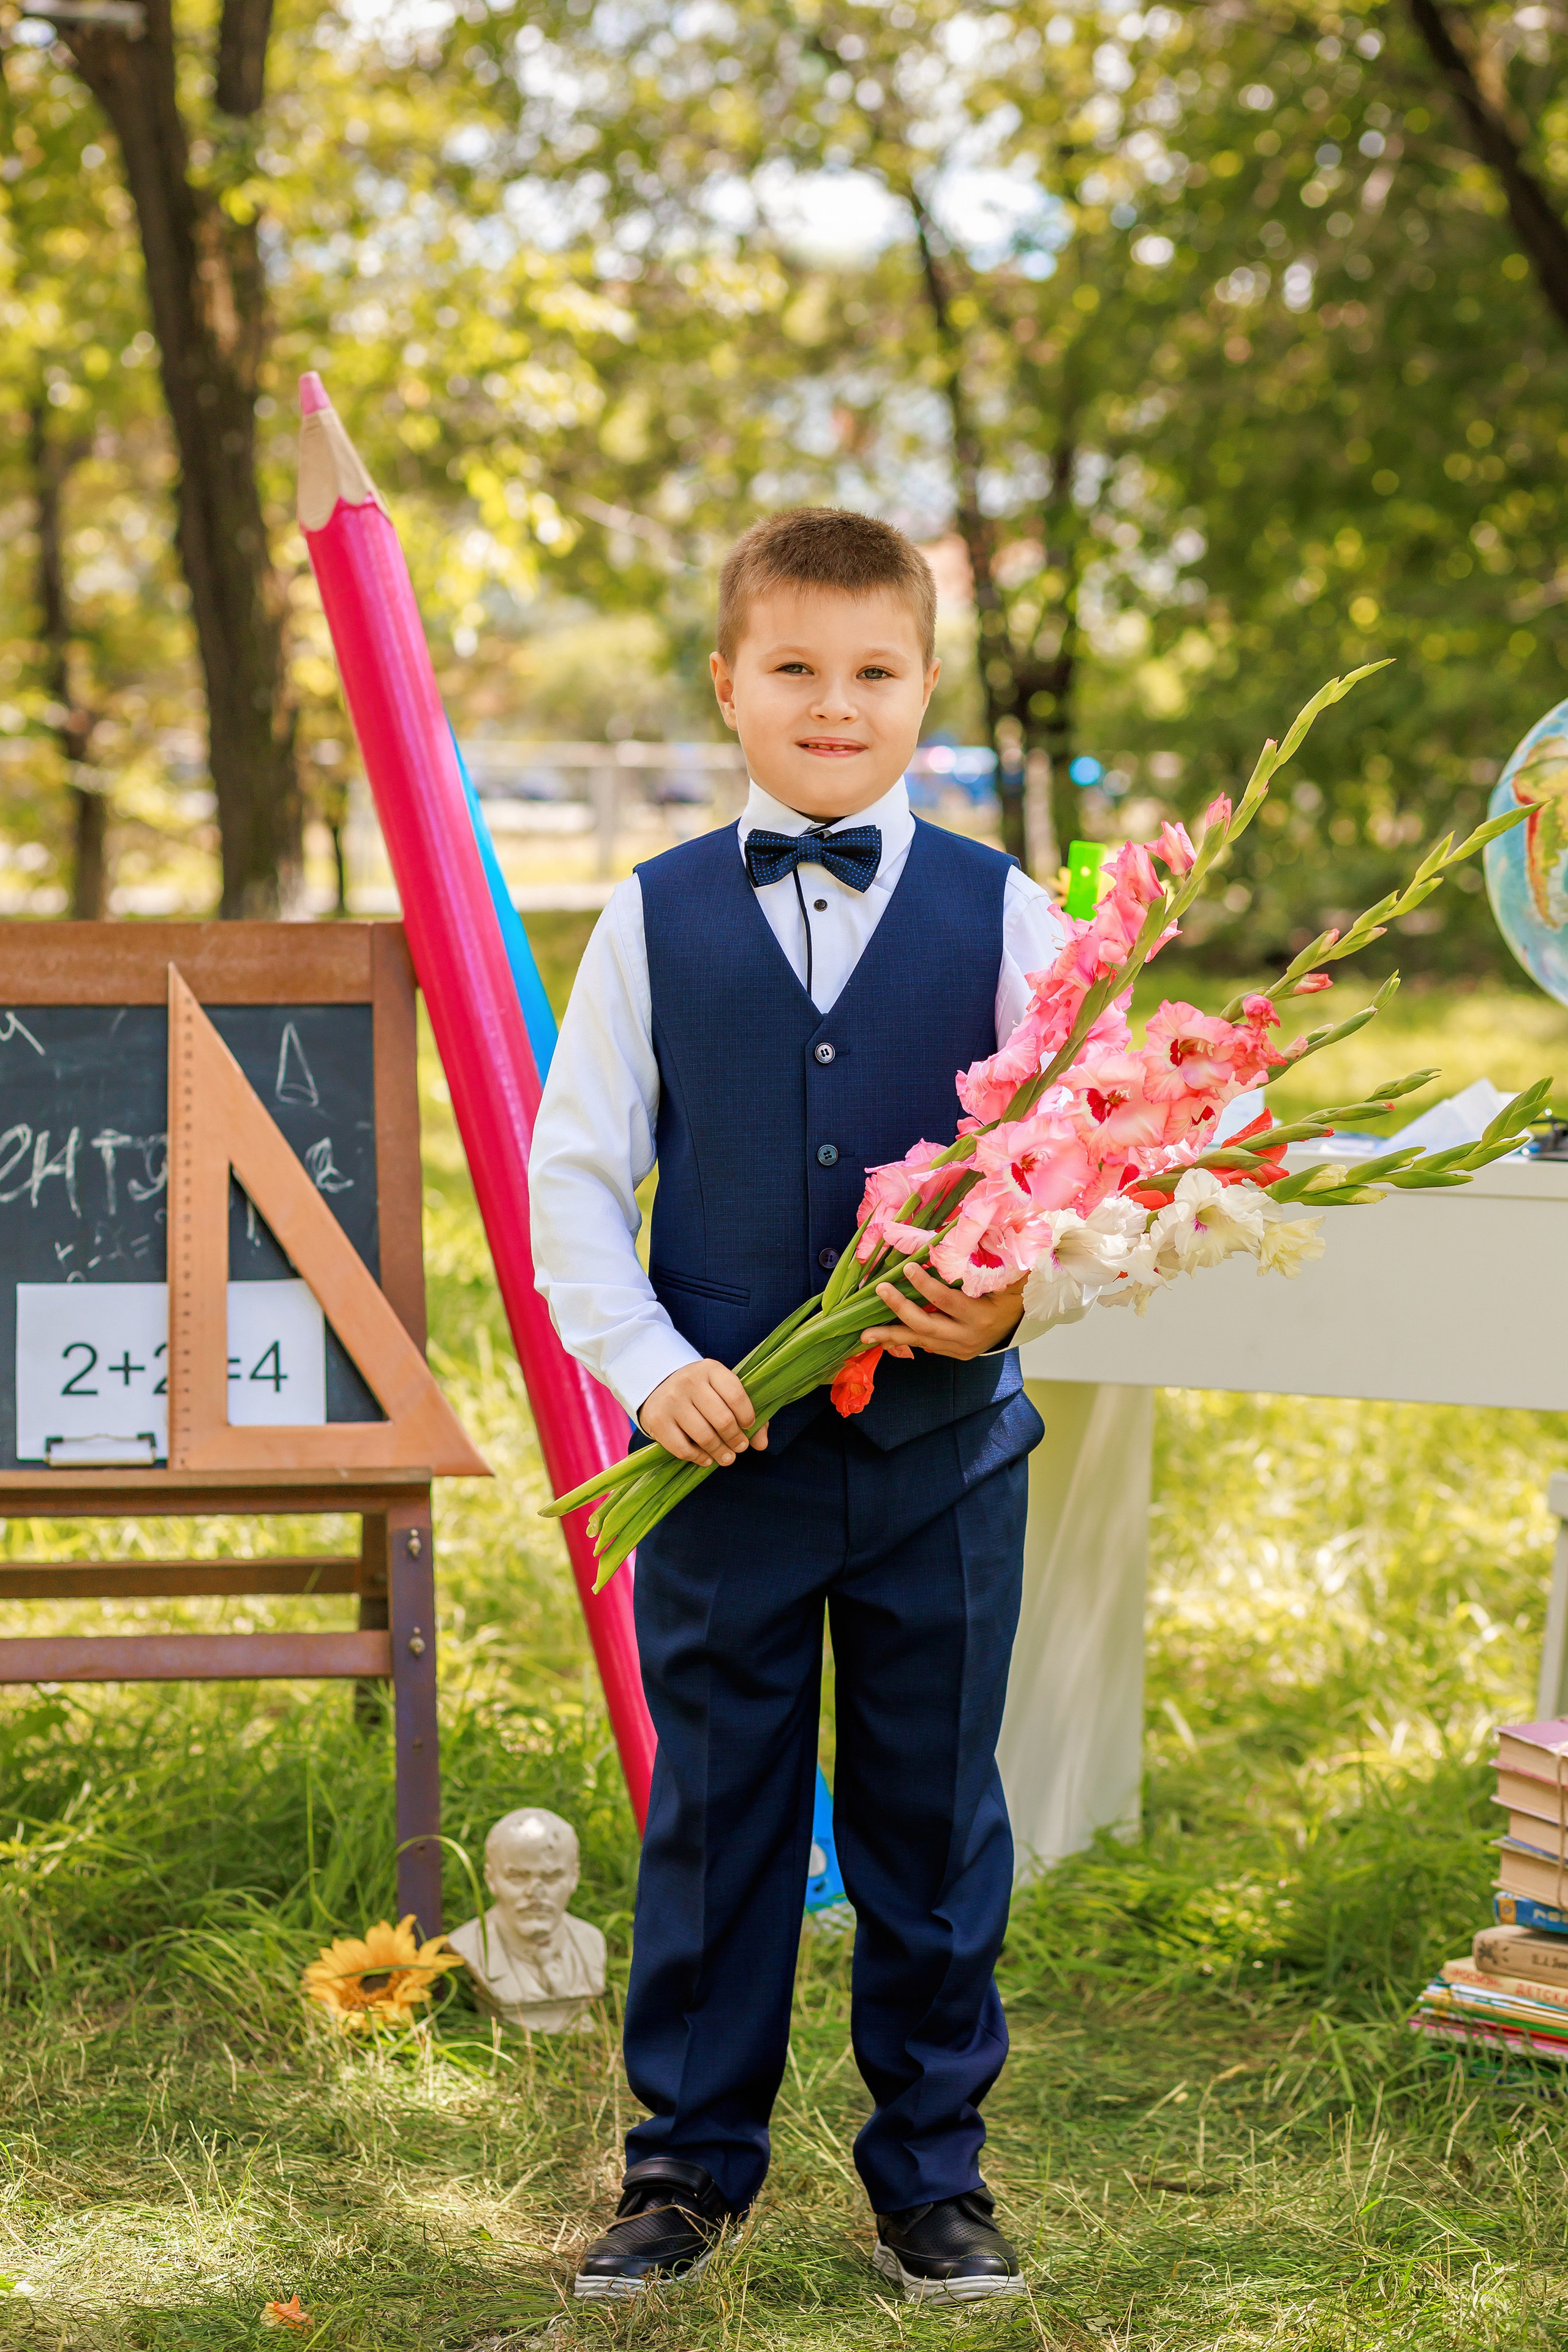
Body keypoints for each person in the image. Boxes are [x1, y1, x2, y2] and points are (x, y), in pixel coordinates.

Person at [529, 507, 1063, 2304]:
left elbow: (1085, 1183)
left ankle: (934, 2171)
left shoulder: (1009, 914)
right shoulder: (655, 913)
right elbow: (575, 1183)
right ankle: (684, 2167)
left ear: (924, 688)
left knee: (931, 1816)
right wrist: (653, 1366)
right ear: (729, 685)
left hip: (938, 1458)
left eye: (873, 673)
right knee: (720, 1810)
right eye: (795, 671)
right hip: (721, 1458)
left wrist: (1014, 1292)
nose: (834, 706)